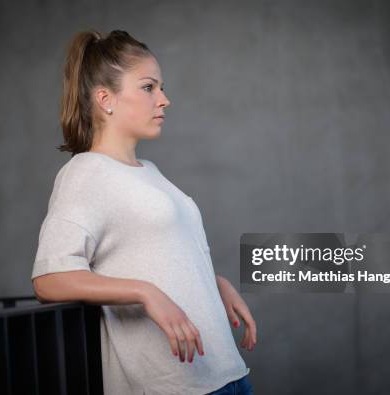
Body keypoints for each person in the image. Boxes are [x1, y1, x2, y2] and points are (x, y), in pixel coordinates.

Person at [31, 29, 257, 395]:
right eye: (149, 87)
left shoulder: (150, 172)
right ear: (106, 99)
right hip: (174, 386)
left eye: (162, 88)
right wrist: (144, 292)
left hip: (225, 374)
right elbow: (49, 279)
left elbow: (161, 256)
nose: (164, 100)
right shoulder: (85, 173)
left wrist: (215, 283)